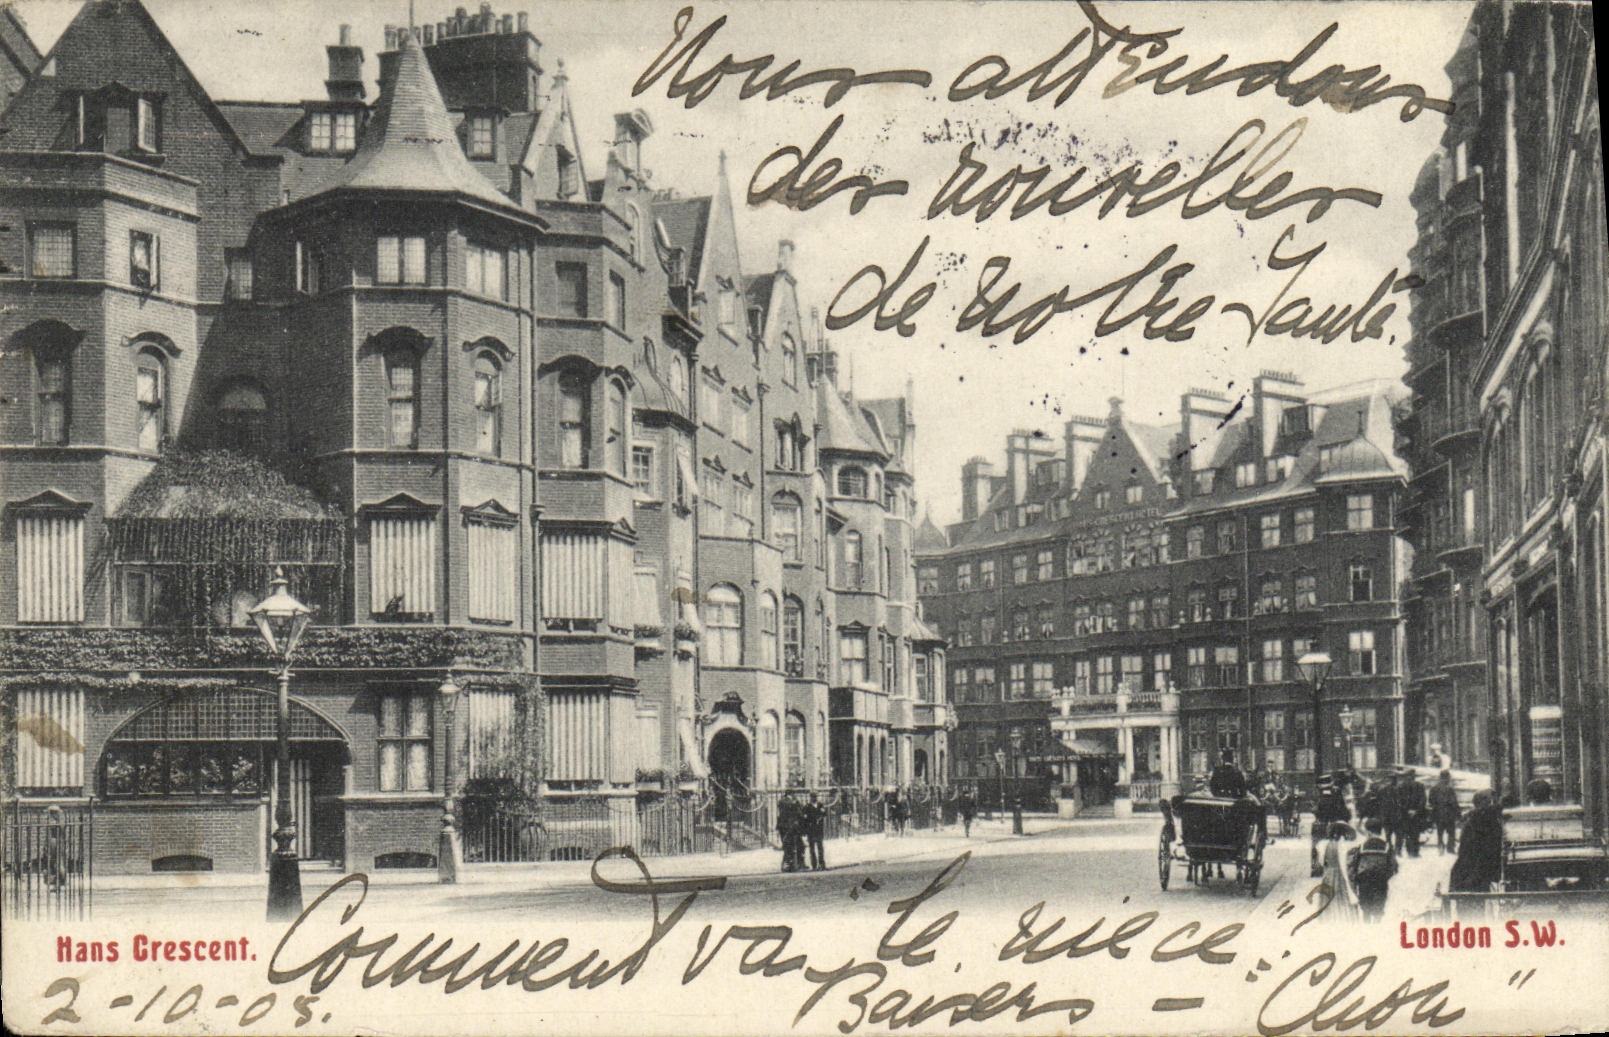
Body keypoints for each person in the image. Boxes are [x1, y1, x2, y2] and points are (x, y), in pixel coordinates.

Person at [1449, 790, 1503, 893]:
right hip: (1486, 864)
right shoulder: (1494, 818)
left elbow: (1465, 846)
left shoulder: (1474, 819)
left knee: (1458, 876)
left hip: (1472, 865)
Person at [1346, 817, 1398, 920]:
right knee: (1378, 909)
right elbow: (1394, 866)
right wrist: (1386, 876)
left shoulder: (1361, 847)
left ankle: (1367, 931)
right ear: (1380, 831)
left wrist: (1355, 880)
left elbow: (1353, 866)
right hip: (1380, 881)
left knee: (1366, 910)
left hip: (1364, 881)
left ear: (1368, 832)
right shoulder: (1387, 847)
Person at [1311, 773, 1352, 877]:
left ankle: (1316, 867)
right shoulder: (1336, 792)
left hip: (1322, 822)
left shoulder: (1316, 793)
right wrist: (1346, 818)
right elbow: (1343, 808)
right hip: (1334, 823)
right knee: (1335, 844)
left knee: (1317, 844)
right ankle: (1335, 865)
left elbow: (1314, 808)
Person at [1428, 770, 1461, 854]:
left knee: (1441, 831)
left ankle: (1441, 846)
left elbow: (1431, 801)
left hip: (1440, 813)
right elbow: (1454, 802)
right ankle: (1449, 848)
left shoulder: (1434, 788)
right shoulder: (1449, 789)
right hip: (1448, 814)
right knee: (1449, 832)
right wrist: (1458, 814)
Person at [1397, 768, 1427, 858]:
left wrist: (1406, 810)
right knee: (1415, 833)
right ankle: (1414, 852)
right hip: (1416, 814)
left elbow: (1398, 801)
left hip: (1405, 814)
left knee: (1406, 832)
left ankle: (1409, 850)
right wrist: (1417, 810)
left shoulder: (1401, 786)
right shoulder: (1420, 786)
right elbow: (1423, 800)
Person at [805, 794, 827, 871]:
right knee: (812, 848)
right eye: (812, 797)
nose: (813, 798)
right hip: (811, 829)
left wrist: (821, 816)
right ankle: (814, 864)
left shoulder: (820, 805)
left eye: (814, 797)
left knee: (820, 847)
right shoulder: (807, 806)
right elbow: (805, 818)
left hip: (819, 829)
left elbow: (825, 814)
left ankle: (821, 863)